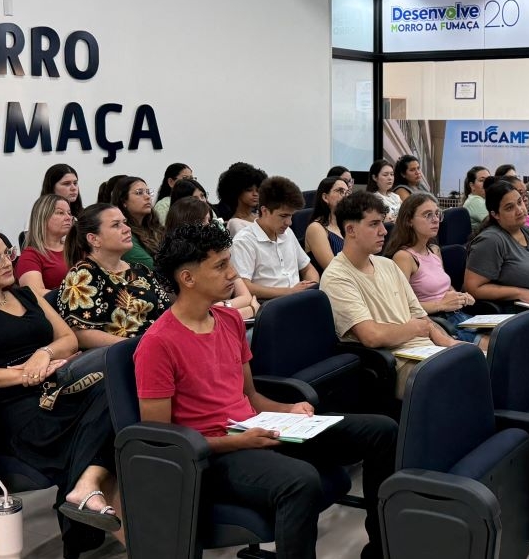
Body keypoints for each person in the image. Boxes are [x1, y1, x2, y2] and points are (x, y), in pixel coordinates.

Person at [138, 223, 398, 559]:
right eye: (220, 266)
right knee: (301, 481)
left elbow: (251, 397)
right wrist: (237, 441)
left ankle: (379, 548)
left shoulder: (229, 320)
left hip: (255, 430)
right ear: (187, 278)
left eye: (229, 262)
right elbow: (163, 441)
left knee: (382, 430)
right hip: (212, 456)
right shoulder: (158, 344)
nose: (233, 273)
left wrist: (288, 410)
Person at [0, 227, 124, 545]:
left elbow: (68, 339)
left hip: (55, 390)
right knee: (110, 412)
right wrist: (21, 376)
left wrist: (43, 354)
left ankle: (86, 485)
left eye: (7, 253)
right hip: (14, 408)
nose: (7, 262)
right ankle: (85, 494)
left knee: (118, 395)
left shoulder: (25, 295)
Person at [322, 192, 461, 396]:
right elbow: (372, 336)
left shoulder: (387, 265)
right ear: (350, 230)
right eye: (374, 224)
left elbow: (421, 317)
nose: (383, 231)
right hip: (398, 363)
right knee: (457, 381)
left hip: (426, 351)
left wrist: (450, 343)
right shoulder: (337, 277)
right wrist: (414, 328)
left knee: (478, 361)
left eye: (382, 223)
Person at [58, 203, 173, 347]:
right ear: (94, 239)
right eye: (116, 225)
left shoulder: (140, 270)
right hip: (122, 354)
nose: (127, 229)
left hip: (159, 346)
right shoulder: (83, 275)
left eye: (125, 222)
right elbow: (82, 334)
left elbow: (168, 315)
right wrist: (140, 346)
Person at [382, 193, 478, 342]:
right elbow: (401, 306)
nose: (435, 220)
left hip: (454, 314)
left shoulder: (434, 250)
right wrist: (441, 305)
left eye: (437, 214)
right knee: (495, 344)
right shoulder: (404, 257)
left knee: (504, 335)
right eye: (427, 215)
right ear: (409, 221)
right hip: (435, 321)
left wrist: (459, 297)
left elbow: (444, 286)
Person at [464, 180, 529, 308]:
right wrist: (520, 293)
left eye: (520, 202)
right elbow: (473, 288)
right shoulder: (490, 240)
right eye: (510, 208)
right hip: (514, 310)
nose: (520, 210)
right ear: (495, 214)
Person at [165, 197, 260, 321]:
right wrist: (250, 310)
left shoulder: (218, 250)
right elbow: (199, 315)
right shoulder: (176, 263)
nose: (210, 226)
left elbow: (246, 297)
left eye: (210, 220)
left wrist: (221, 306)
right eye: (204, 221)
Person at [231, 176, 319, 299]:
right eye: (283, 216)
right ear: (265, 211)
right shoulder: (243, 241)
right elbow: (244, 286)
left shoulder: (287, 233)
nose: (289, 222)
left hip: (298, 299)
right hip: (269, 304)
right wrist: (289, 292)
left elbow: (308, 268)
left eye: (291, 216)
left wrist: (311, 286)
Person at [16, 194, 74, 299]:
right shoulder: (30, 256)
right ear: (42, 218)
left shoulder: (75, 247)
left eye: (69, 213)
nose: (68, 218)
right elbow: (36, 294)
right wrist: (77, 296)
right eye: (60, 213)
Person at [111, 176, 165, 271]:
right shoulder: (123, 233)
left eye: (148, 192)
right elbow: (152, 268)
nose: (148, 197)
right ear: (124, 201)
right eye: (139, 193)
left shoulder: (155, 228)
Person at [303, 176, 350, 272]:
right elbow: (333, 269)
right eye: (340, 191)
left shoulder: (348, 225)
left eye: (347, 192)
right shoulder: (316, 228)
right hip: (333, 279)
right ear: (325, 197)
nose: (345, 196)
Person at [216, 162, 268, 237]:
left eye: (258, 190)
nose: (255, 194)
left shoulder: (262, 217)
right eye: (249, 190)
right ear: (237, 191)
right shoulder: (235, 224)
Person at [461, 166, 490, 232]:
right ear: (472, 185)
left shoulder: (480, 200)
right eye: (482, 180)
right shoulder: (474, 201)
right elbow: (498, 222)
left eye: (489, 180)